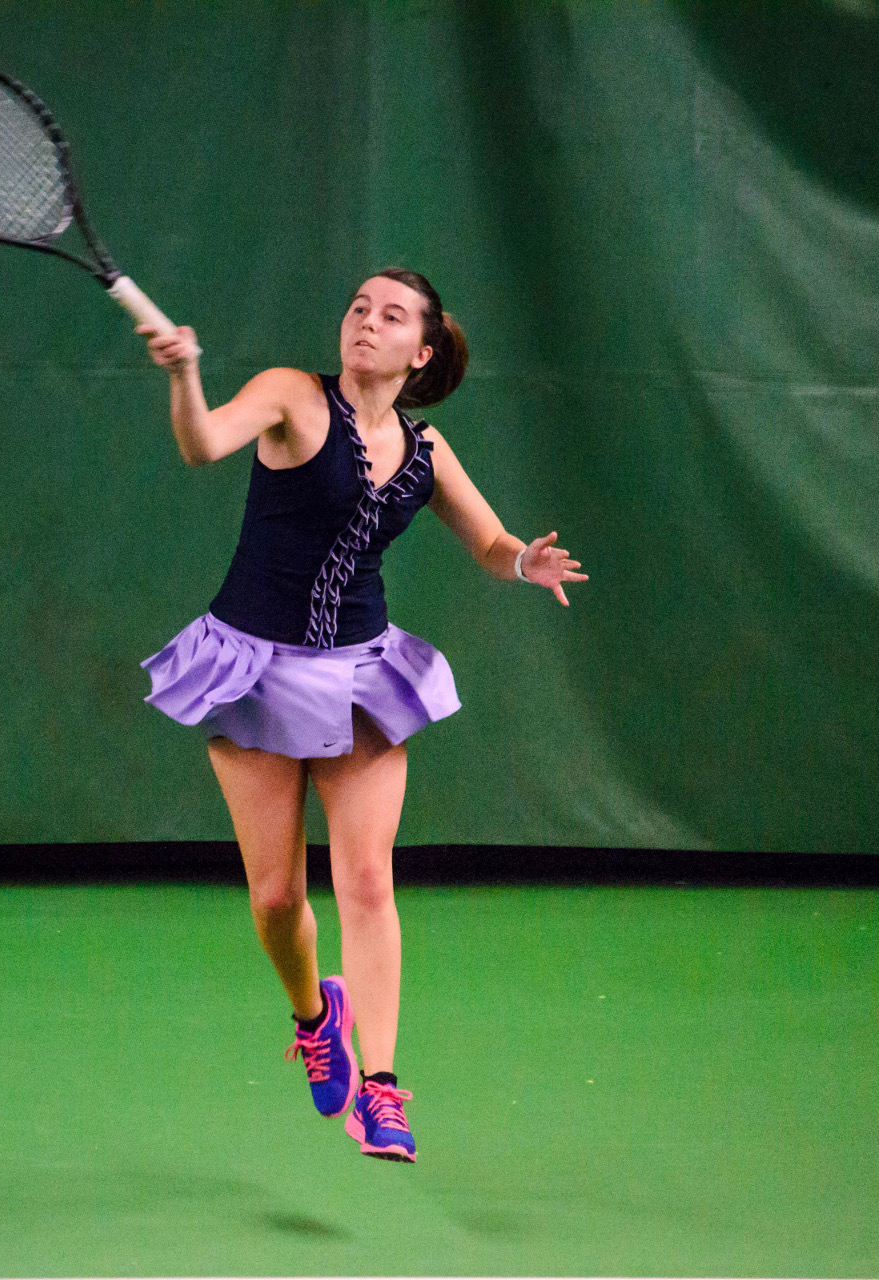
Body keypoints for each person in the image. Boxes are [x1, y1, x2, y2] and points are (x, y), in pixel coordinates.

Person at [138, 268, 587, 1162]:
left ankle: (379, 1089)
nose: (364, 324)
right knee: (275, 900)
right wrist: (185, 375)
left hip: (363, 677)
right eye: (356, 308)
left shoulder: (426, 452)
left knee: (368, 881)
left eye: (389, 317)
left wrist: (521, 563)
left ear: (419, 352)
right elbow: (203, 444)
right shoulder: (291, 398)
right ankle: (315, 1015)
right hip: (252, 668)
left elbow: (490, 542)